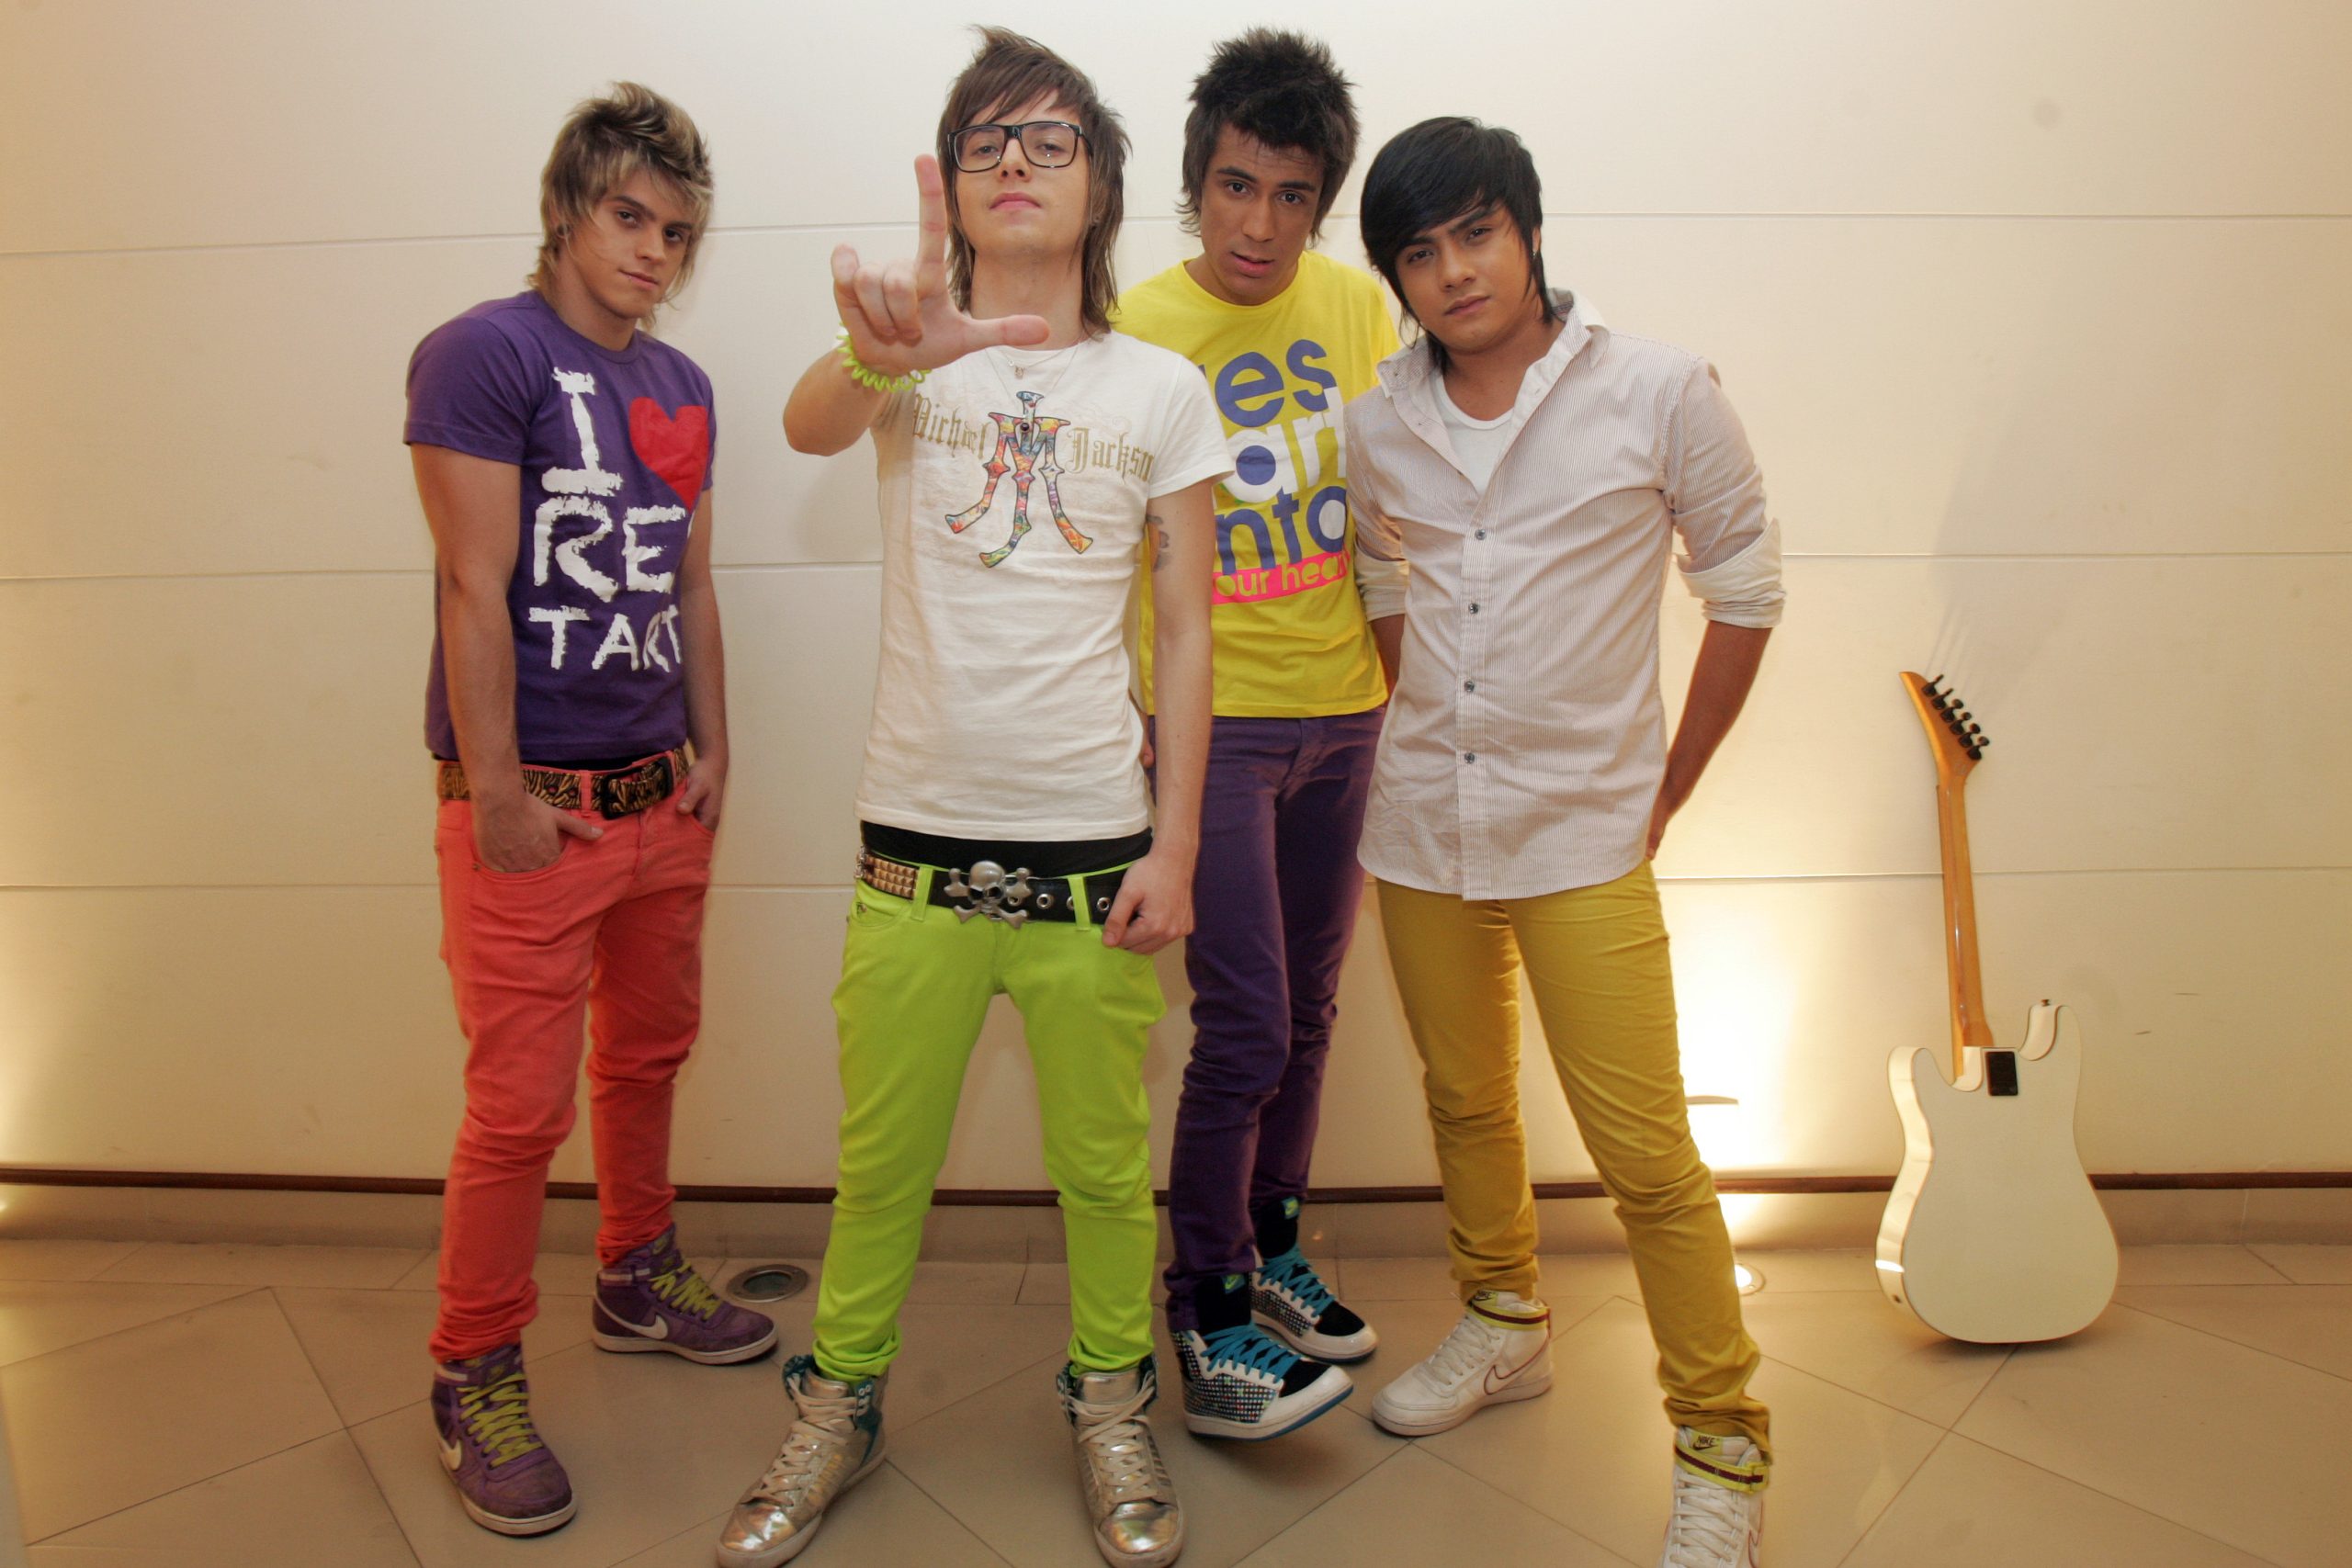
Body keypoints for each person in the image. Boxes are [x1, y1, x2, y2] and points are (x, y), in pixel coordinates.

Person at [718, 29, 1227, 1568]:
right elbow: (805, 425)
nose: (1016, 162)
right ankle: (840, 1402)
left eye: (1050, 140)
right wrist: (888, 347)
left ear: (1101, 188)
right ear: (952, 183)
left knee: (1102, 1172)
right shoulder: (913, 359)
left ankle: (1111, 1402)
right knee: (882, 1167)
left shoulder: (1161, 388)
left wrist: (1179, 846)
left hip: (1094, 854)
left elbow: (1191, 628)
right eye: (987, 141)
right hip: (913, 845)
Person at [1345, 117, 1783, 1568]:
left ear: (1528, 230)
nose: (1454, 271)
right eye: (1419, 251)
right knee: (1466, 1102)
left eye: (1476, 232)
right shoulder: (1375, 420)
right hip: (1422, 827)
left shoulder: (1658, 390)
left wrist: (1670, 785)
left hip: (1586, 831)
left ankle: (1721, 1440)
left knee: (1646, 1152)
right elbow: (1378, 574)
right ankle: (1504, 1320)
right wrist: (1421, 712)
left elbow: (1744, 587)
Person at [403, 82, 774, 1539]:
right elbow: (470, 583)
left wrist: (715, 751)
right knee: (516, 1112)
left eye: (677, 233)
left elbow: (690, 579)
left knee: (650, 1055)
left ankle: (634, 1273)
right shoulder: (483, 353)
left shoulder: (680, 386)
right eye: (629, 217)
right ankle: (472, 1367)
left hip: (659, 799)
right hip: (535, 810)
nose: (652, 253)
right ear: (567, 210)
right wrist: (495, 787)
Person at [1113, 28, 1398, 1442]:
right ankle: (1208, 1307)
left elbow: (1400, 505)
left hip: (1344, 713)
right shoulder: (1135, 326)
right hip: (1213, 727)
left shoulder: (1356, 307)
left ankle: (1274, 1243)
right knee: (1244, 1025)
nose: (1261, 225)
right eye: (1237, 186)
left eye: (1293, 196)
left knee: (1314, 1011)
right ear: (1197, 183)